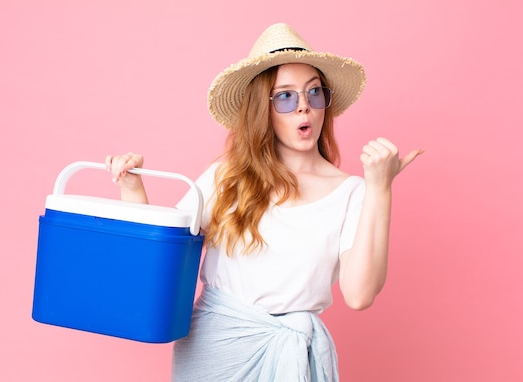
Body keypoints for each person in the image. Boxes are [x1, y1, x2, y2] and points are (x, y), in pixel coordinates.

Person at [106, 23, 422, 382]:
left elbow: (360, 295)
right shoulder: (225, 176)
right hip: (214, 353)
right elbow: (158, 262)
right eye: (286, 97)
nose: (304, 107)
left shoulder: (352, 193)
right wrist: (131, 187)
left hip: (292, 357)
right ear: (263, 109)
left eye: (314, 93)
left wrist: (380, 187)